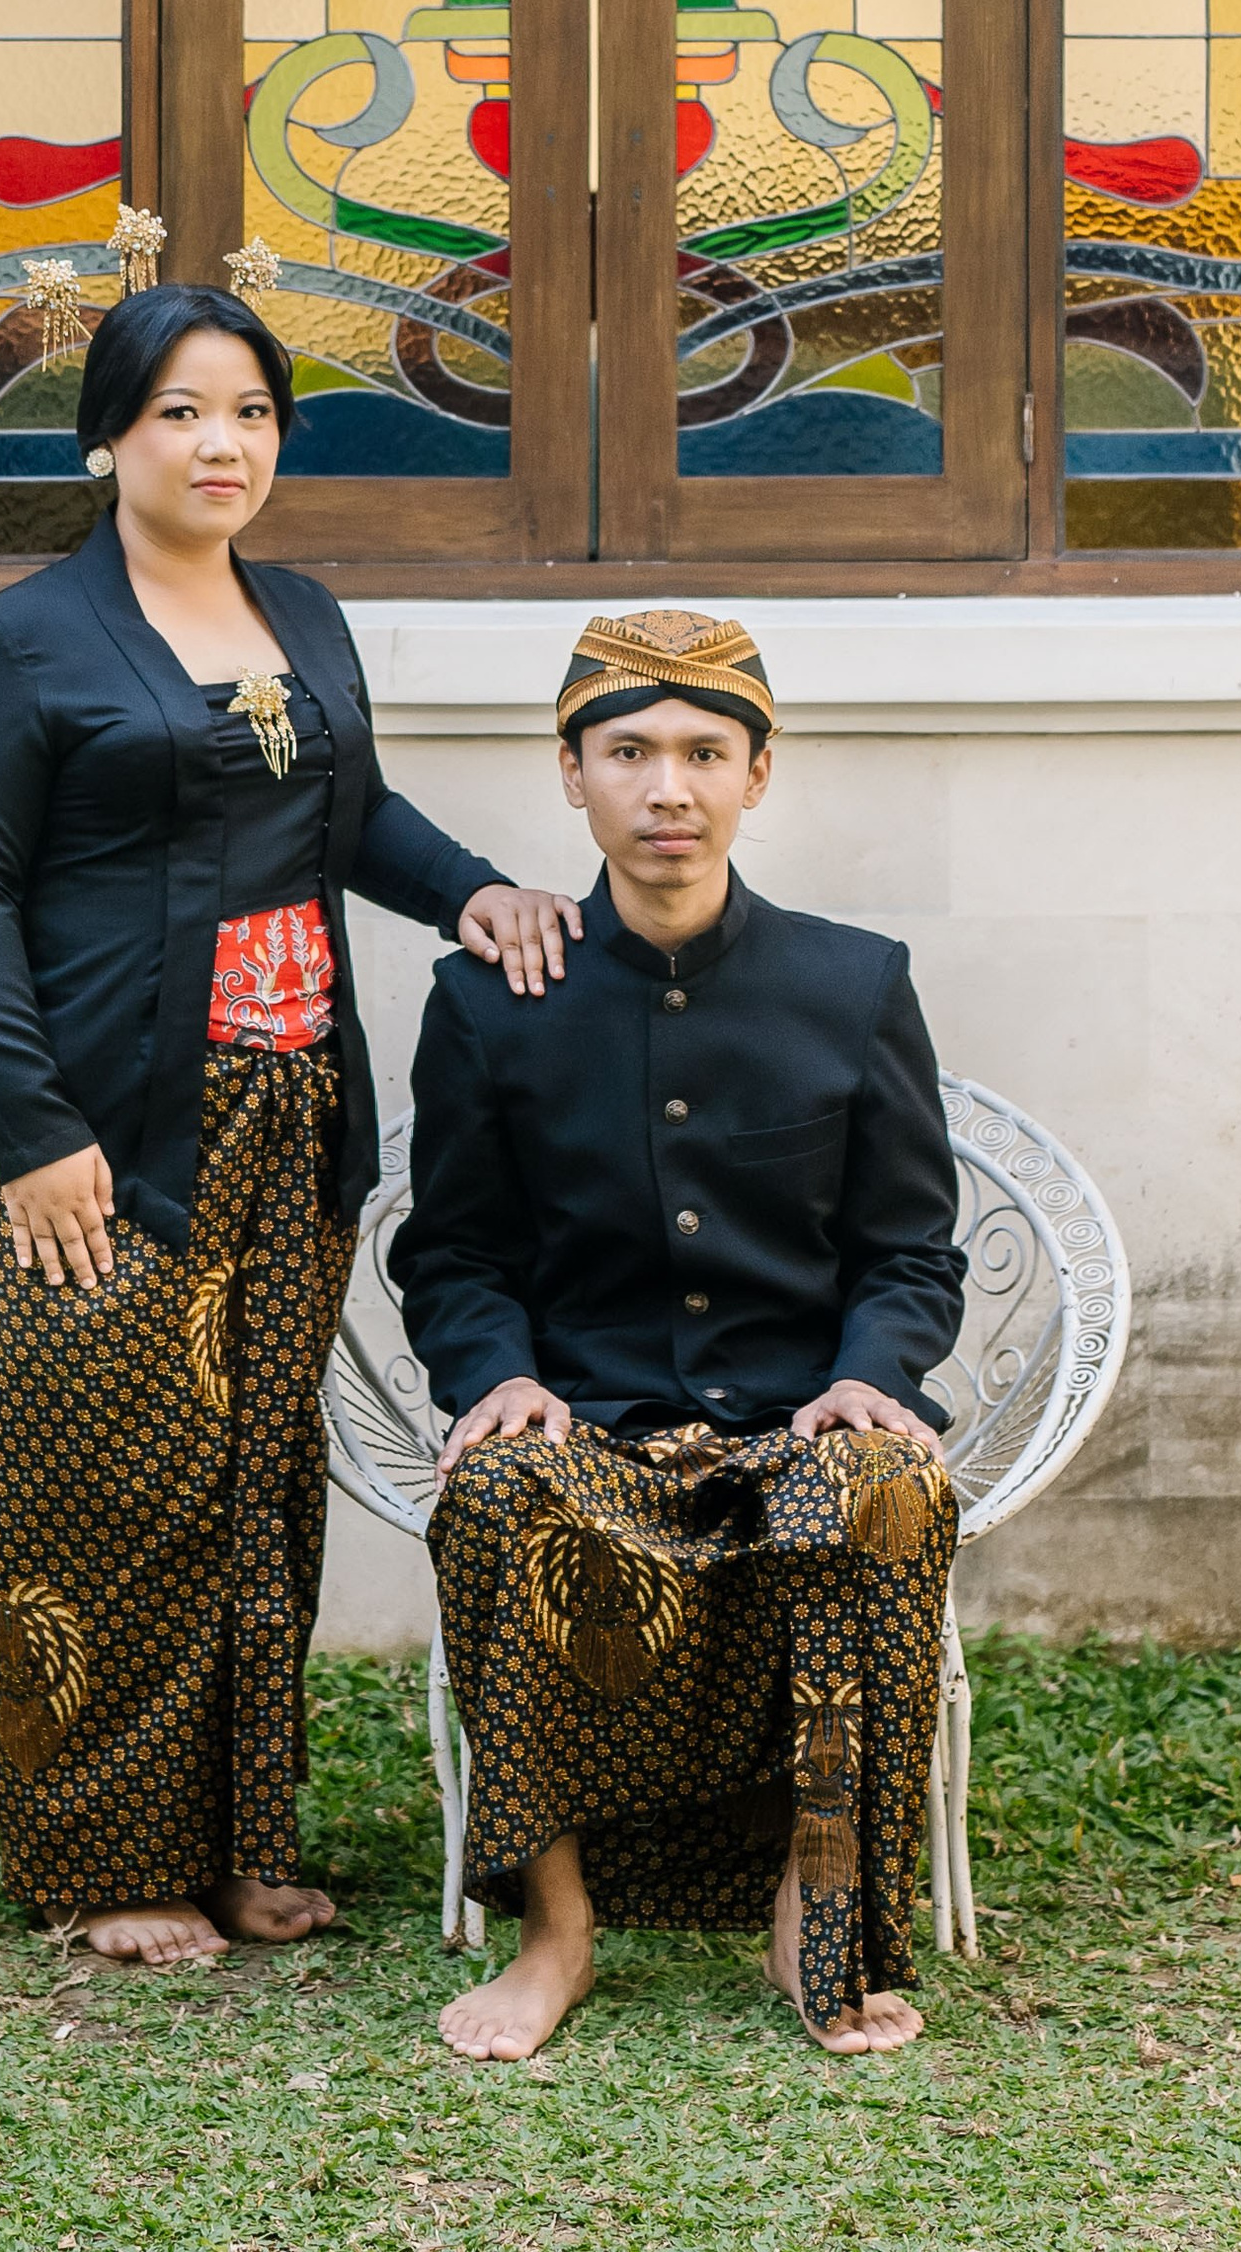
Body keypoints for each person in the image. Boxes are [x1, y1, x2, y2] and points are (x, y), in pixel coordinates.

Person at [0, 279, 584, 1971]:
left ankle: (238, 1843)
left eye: (255, 413)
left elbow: (350, 814)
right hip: (95, 1138)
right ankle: (109, 1861)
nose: (224, 445)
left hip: (290, 1119)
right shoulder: (21, 644)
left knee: (253, 1489)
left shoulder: (303, 612)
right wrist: (32, 1122)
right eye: (182, 414)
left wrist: (476, 894)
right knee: (92, 1492)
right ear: (107, 438)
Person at [390, 607, 967, 2063]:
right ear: (571, 772)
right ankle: (558, 1932)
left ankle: (812, 1910)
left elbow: (910, 1249)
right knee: (496, 1489)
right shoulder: (485, 1001)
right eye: (630, 752)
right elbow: (452, 1250)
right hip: (588, 1427)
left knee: (886, 1489)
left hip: (800, 1423)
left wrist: (865, 1376)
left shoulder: (854, 983)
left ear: (758, 776)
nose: (669, 789)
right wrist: (499, 1376)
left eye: (707, 753)